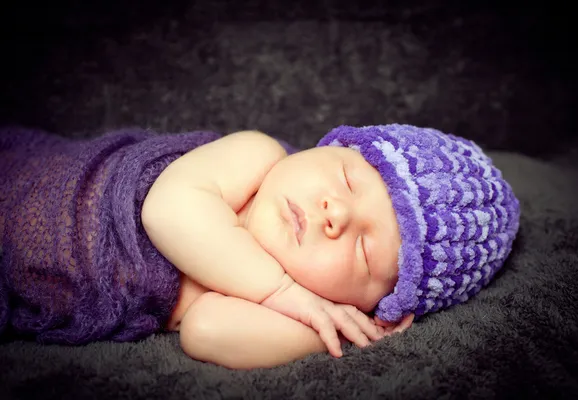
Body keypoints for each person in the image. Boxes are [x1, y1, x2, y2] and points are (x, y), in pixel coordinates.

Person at [0, 124, 520, 369]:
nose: (335, 213)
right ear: (335, 145)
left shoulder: (283, 302)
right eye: (346, 177)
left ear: (370, 305)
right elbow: (168, 211)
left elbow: (207, 332)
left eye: (364, 251)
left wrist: (327, 327)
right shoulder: (257, 158)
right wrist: (281, 290)